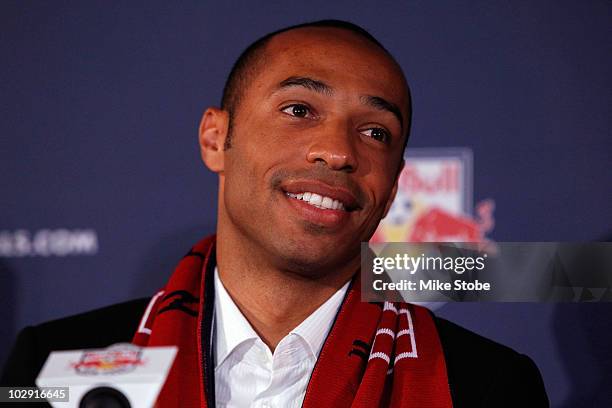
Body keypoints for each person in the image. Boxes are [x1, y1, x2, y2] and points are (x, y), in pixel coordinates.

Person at [1, 20, 549, 407]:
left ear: (395, 181)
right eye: (299, 110)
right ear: (216, 138)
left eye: (376, 132)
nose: (338, 151)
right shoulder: (50, 367)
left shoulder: (491, 387)